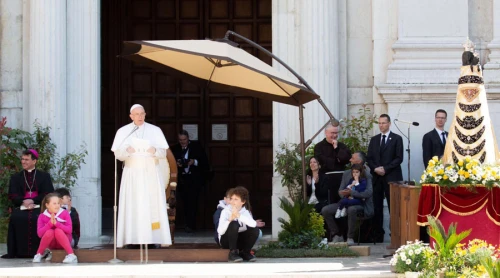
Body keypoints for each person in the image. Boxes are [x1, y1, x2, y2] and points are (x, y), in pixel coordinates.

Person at [111, 104, 172, 248]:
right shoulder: (124, 131)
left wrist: (154, 150)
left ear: (145, 114)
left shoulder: (155, 131)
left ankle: (152, 239)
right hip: (132, 174)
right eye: (136, 114)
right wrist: (127, 150)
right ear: (131, 116)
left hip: (151, 173)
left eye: (142, 114)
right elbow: (117, 154)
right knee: (134, 205)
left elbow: (163, 153)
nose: (139, 117)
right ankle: (132, 239)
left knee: (151, 206)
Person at [2, 149, 54, 259]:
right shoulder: (16, 177)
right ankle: (17, 252)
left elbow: (48, 193)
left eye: (26, 159)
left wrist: (33, 200)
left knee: (38, 218)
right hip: (22, 206)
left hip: (39, 206)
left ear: (34, 161)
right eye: (22, 159)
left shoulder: (44, 176)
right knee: (16, 217)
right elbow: (12, 195)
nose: (23, 162)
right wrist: (23, 201)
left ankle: (41, 252)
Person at [321, 151, 373, 245]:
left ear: (359, 161)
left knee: (352, 209)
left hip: (360, 203)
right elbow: (340, 190)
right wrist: (345, 194)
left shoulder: (367, 174)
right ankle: (337, 234)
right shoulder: (346, 174)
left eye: (352, 158)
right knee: (325, 210)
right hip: (345, 202)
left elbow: (369, 193)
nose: (349, 160)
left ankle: (350, 237)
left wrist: (352, 193)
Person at [366, 114, 403, 241]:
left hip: (391, 177)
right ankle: (377, 235)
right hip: (377, 178)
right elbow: (369, 157)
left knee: (394, 206)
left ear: (389, 123)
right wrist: (375, 168)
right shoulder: (374, 139)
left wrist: (385, 169)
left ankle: (395, 235)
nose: (381, 125)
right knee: (377, 206)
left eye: (384, 123)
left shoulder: (397, 139)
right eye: (380, 123)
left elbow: (399, 158)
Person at [171, 130, 209, 233]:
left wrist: (193, 162)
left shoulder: (196, 147)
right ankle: (179, 225)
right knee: (180, 203)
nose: (182, 142)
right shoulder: (174, 148)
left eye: (184, 140)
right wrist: (177, 165)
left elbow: (204, 162)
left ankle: (191, 225)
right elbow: (170, 162)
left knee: (193, 203)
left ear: (188, 138)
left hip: (193, 180)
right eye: (180, 140)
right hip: (181, 180)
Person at [217, 187, 260, 262]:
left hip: (239, 240)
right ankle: (232, 253)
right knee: (233, 224)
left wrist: (239, 216)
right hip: (226, 241)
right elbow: (220, 231)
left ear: (243, 201)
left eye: (236, 199)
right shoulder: (225, 211)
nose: (232, 201)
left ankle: (245, 252)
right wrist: (229, 220)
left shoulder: (245, 212)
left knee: (255, 230)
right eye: (231, 198)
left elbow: (253, 224)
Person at [33, 193, 77, 263]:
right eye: (54, 203)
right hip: (51, 244)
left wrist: (57, 224)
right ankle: (39, 254)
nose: (57, 205)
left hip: (65, 241)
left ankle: (71, 254)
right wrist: (50, 224)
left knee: (58, 230)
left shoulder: (64, 213)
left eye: (58, 203)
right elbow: (40, 234)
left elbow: (69, 230)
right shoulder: (42, 216)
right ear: (47, 205)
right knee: (49, 232)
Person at [314, 124, 351, 204]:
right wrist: (337, 160)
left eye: (336, 133)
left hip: (341, 179)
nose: (334, 135)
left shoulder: (342, 146)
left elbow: (346, 159)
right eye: (332, 133)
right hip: (326, 179)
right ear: (326, 133)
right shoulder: (319, 147)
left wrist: (337, 148)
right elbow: (321, 161)